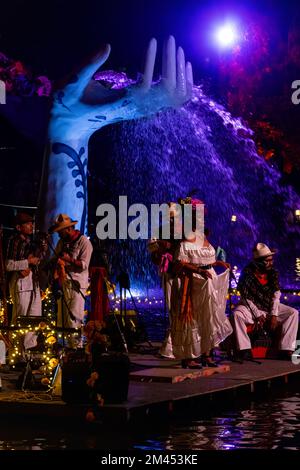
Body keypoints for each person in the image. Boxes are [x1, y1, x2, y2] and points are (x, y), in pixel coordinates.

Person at [160, 199, 233, 368]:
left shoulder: (201, 236)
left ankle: (207, 354)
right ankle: (188, 357)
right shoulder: (184, 236)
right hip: (192, 282)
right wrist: (199, 271)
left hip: (208, 281)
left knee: (208, 318)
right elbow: (181, 262)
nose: (201, 220)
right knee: (191, 318)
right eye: (197, 217)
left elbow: (205, 257)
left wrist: (218, 263)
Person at [233, 243, 299, 360]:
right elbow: (245, 298)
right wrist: (257, 314)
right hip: (251, 308)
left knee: (293, 313)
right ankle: (245, 349)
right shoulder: (247, 273)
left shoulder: (273, 273)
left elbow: (276, 296)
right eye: (267, 261)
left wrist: (274, 314)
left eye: (271, 260)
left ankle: (286, 349)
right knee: (237, 314)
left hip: (268, 307)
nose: (271, 263)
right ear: (259, 261)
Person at [49, 214, 93, 330]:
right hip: (63, 284)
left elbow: (84, 265)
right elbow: (55, 258)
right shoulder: (61, 242)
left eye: (60, 231)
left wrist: (68, 260)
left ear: (69, 229)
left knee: (74, 318)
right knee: (62, 320)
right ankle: (65, 346)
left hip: (76, 286)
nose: (58, 234)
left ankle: (76, 347)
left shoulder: (84, 242)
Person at [6, 212, 41, 323]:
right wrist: (28, 261)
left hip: (32, 282)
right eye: (28, 224)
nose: (31, 226)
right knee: (20, 319)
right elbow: (8, 265)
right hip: (20, 283)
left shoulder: (30, 242)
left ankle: (29, 342)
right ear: (18, 227)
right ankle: (15, 341)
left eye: (32, 223)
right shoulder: (14, 240)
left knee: (34, 319)